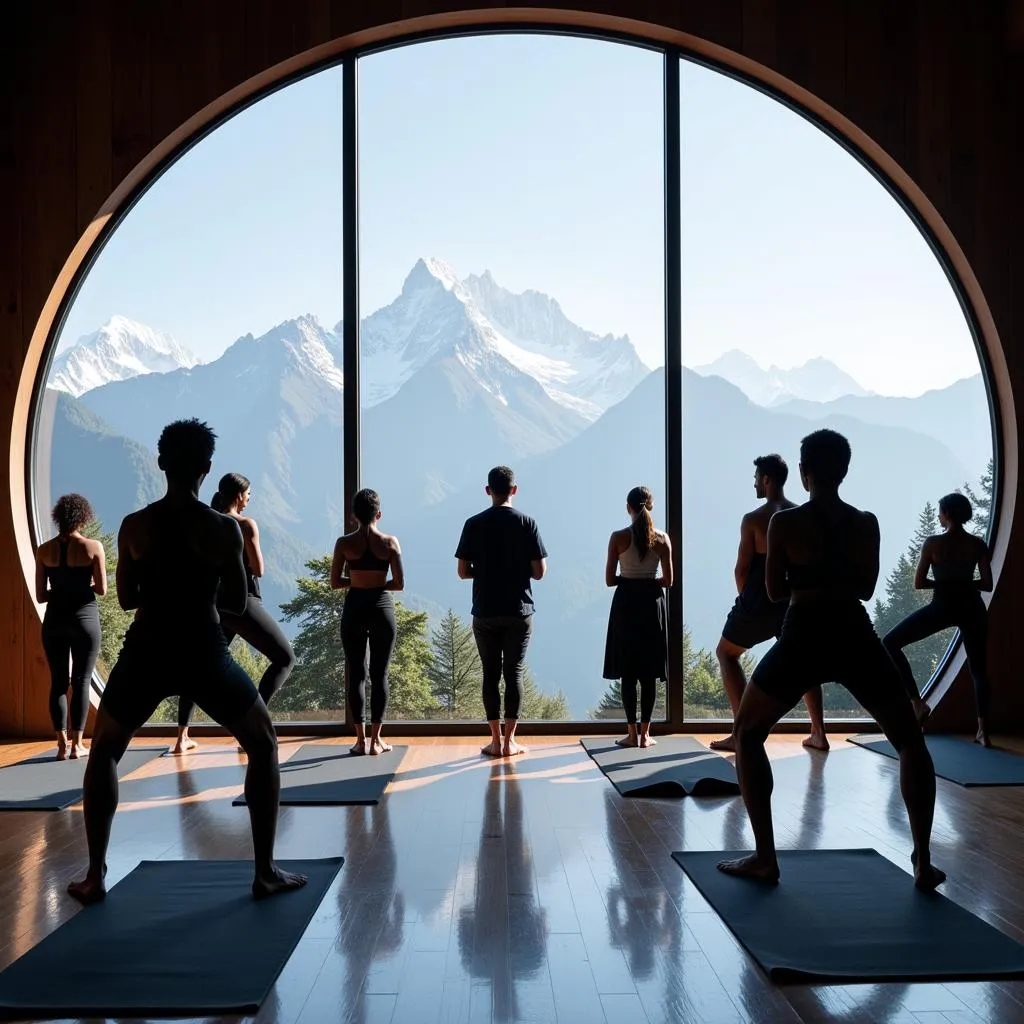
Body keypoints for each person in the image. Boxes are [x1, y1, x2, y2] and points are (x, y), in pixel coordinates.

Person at [67, 419, 306, 904]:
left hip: (146, 651)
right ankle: (263, 872)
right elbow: (237, 602)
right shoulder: (223, 529)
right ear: (207, 468)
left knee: (105, 752)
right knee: (262, 745)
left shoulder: (135, 526)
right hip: (204, 650)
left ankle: (94, 875)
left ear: (161, 463)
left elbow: (128, 599)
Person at [717, 429, 944, 891]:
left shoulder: (785, 524)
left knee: (746, 734)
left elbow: (776, 590)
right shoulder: (866, 523)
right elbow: (866, 589)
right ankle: (922, 860)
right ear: (843, 471)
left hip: (802, 634)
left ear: (804, 474)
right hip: (854, 634)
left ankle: (765, 858)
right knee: (910, 742)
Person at [711, 455, 828, 753]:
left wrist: (745, 602)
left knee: (726, 654)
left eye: (756, 477)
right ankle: (818, 732)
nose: (753, 483)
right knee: (806, 665)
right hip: (793, 600)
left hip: (758, 600)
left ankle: (741, 733)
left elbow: (741, 568)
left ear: (766, 479)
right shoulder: (800, 514)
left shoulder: (753, 520)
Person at [175, 472, 295, 754]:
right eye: (249, 495)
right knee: (285, 658)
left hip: (215, 604)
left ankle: (181, 737)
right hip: (243, 601)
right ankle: (254, 725)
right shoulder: (245, 525)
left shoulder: (205, 523)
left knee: (198, 666)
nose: (250, 500)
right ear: (240, 496)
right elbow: (259, 568)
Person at [882, 492, 993, 746]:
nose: (938, 515)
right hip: (972, 608)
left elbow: (919, 582)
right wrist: (963, 582)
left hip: (942, 606)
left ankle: (917, 703)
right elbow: (986, 584)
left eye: (940, 511)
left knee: (890, 642)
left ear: (947, 515)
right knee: (979, 671)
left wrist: (944, 582)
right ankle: (983, 731)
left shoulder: (932, 544)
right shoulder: (977, 544)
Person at [456, 466, 547, 758]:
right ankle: (511, 743)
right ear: (514, 490)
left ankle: (494, 742)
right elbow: (539, 572)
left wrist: (484, 572)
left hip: (484, 609)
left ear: (488, 490)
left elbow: (462, 571)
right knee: (514, 673)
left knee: (490, 674)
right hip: (519, 610)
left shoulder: (473, 523)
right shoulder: (528, 523)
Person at [331, 488, 404, 756]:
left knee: (356, 673)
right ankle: (377, 741)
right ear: (379, 514)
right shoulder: (390, 543)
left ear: (353, 517)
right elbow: (398, 583)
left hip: (354, 608)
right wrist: (376, 582)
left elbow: (335, 582)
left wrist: (358, 580)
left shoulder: (343, 543)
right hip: (381, 608)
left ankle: (360, 741)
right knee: (380, 673)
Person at [35, 493, 106, 760]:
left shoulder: (44, 550)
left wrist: (61, 590)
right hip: (84, 619)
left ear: (57, 518)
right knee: (82, 680)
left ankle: (61, 745)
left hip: (54, 621)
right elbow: (102, 589)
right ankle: (78, 745)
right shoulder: (93, 547)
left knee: (58, 683)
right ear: (83, 517)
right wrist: (79, 587)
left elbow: (41, 595)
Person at [603, 485, 673, 748]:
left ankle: (631, 734)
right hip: (652, 605)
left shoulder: (618, 538)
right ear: (651, 507)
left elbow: (610, 580)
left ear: (628, 508)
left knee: (628, 672)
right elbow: (669, 580)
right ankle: (646, 735)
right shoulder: (662, 539)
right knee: (649, 672)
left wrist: (627, 580)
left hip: (626, 605)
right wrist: (649, 581)